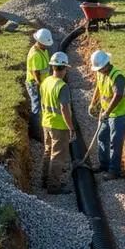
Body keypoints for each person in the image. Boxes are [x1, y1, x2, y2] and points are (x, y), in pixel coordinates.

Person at [88, 50, 125, 180]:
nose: (99, 71)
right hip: (106, 112)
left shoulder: (118, 77)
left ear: (107, 64)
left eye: (100, 68)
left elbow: (117, 95)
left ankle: (114, 170)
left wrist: (107, 112)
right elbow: (98, 88)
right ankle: (104, 164)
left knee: (115, 142)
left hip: (118, 113)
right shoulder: (102, 73)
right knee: (102, 137)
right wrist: (93, 103)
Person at [40, 51, 75, 194]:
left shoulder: (46, 81)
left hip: (46, 122)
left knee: (48, 152)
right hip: (59, 126)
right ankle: (53, 186)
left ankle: (44, 180)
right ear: (65, 68)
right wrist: (71, 128)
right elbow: (64, 108)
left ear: (52, 67)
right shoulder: (62, 86)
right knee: (58, 156)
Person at [25, 28, 53, 141]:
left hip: (43, 82)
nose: (47, 46)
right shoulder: (35, 54)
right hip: (35, 83)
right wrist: (39, 85)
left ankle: (40, 128)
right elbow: (35, 73)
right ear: (39, 41)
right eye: (45, 44)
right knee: (36, 106)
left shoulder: (43, 49)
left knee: (41, 106)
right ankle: (34, 133)